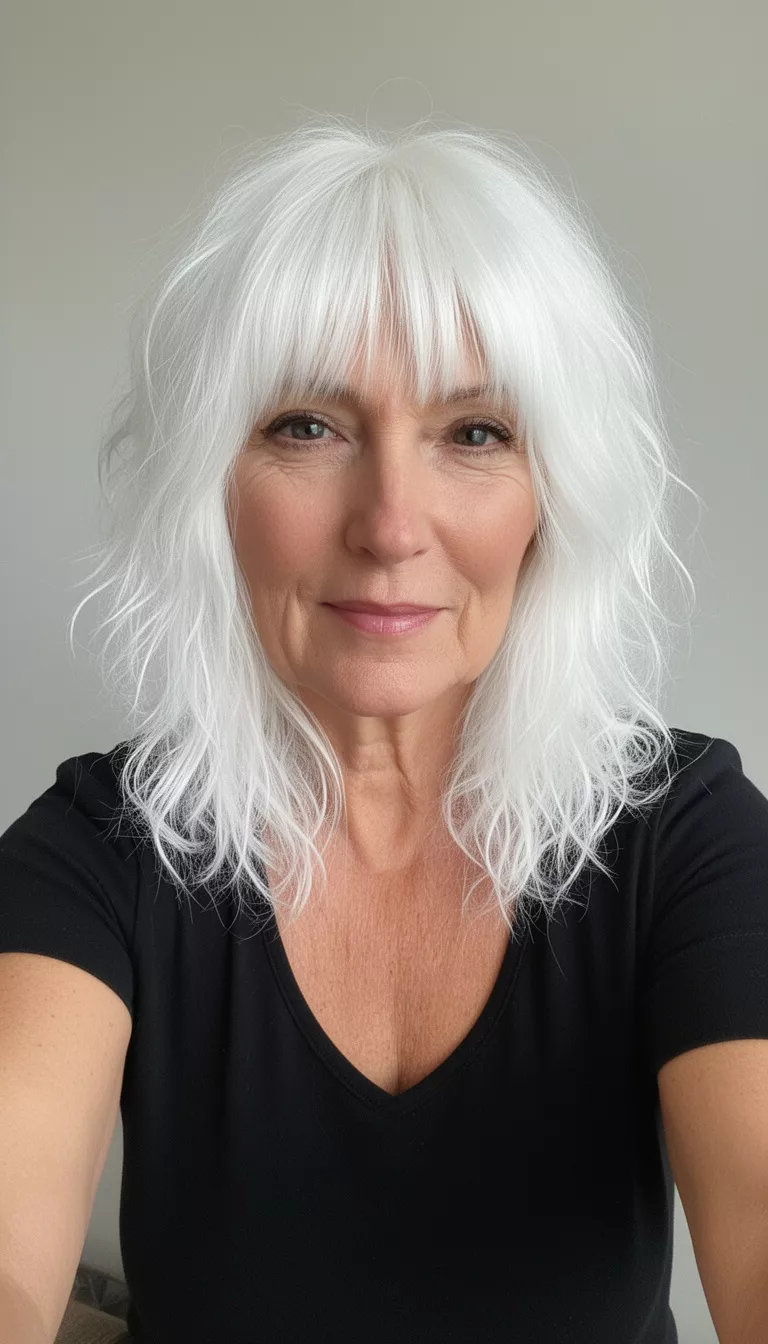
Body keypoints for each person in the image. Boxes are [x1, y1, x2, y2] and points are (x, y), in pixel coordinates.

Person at [2, 116, 768, 1344]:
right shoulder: (95, 849)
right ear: (213, 486)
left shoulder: (689, 836)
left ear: (551, 495)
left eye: (476, 433)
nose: (393, 524)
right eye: (309, 425)